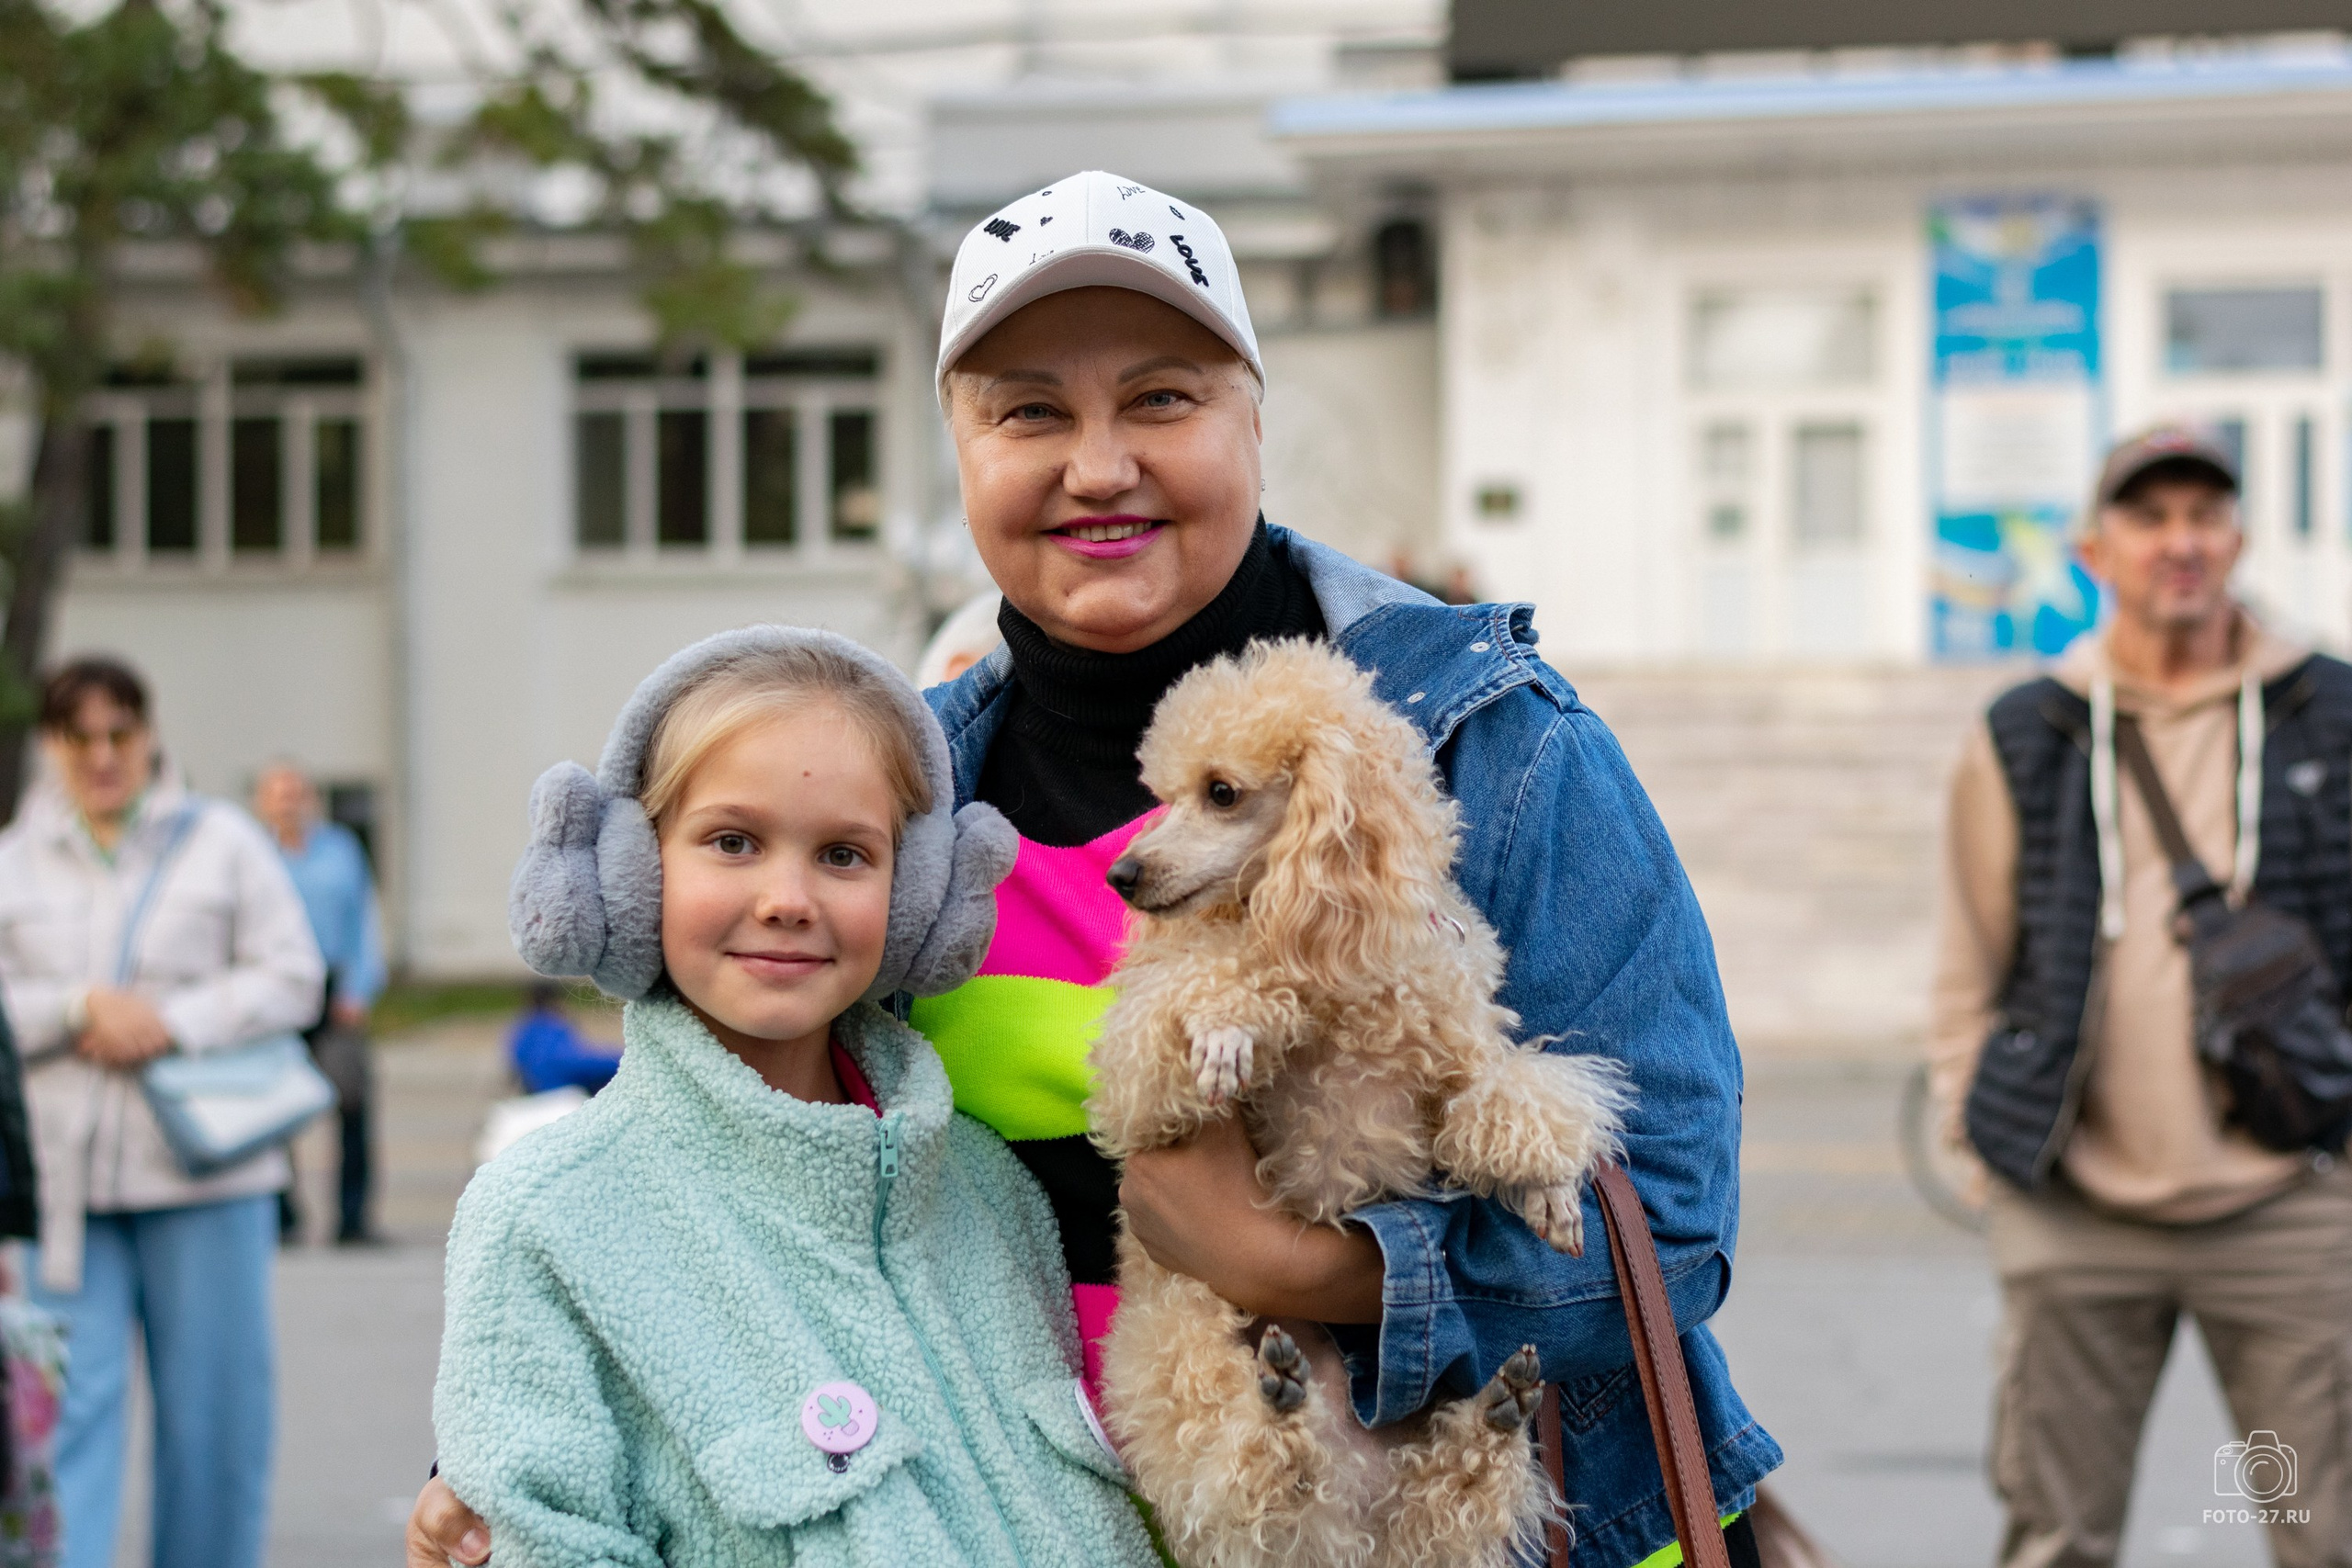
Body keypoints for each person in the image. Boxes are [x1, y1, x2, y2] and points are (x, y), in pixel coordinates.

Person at [413, 169, 1777, 1568]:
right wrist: (521, 1429)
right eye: (1029, 411)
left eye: (1163, 398)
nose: (1100, 463)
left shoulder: (1482, 748)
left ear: (1254, 416)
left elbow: (1670, 1223)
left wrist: (1300, 1266)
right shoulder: (899, 803)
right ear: (961, 449)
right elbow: (724, 1169)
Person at [434, 627, 1159, 1567]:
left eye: (843, 856)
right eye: (732, 842)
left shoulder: (987, 1192)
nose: (787, 897)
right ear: (633, 870)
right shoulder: (546, 1220)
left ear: (920, 901)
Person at [1931, 427, 2352, 1568]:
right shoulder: (2025, 730)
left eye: (2203, 516)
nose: (2180, 543)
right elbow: (1970, 961)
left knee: (2331, 1537)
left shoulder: (2332, 712)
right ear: (2092, 549)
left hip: (2292, 1203)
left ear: (2240, 540)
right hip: (2073, 1209)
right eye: (2148, 518)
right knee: (2055, 1540)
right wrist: (1981, 1156)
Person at [0, 657, 323, 1568]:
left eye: (120, 735)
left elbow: (294, 977)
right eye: (81, 738)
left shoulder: (224, 842)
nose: (103, 756)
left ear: (148, 737)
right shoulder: (13, 862)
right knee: (63, 1416)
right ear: (53, 747)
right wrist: (76, 1009)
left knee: (216, 1418)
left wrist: (170, 1023)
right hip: (65, 1195)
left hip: (208, 1174)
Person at [251, 761, 388, 1245]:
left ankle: (353, 1219)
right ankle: (281, 1216)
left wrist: (359, 988)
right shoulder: (250, 855)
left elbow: (363, 921)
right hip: (276, 988)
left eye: (297, 793)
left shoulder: (341, 850)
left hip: (334, 986)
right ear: (262, 803)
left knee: (352, 1101)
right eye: (278, 794)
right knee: (272, 1107)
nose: (289, 803)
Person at [504, 980, 620, 1095]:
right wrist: (621, 1057)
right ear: (555, 1001)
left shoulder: (523, 1027)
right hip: (559, 1091)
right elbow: (570, 1062)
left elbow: (517, 1061)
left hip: (537, 1090)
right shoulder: (553, 1025)